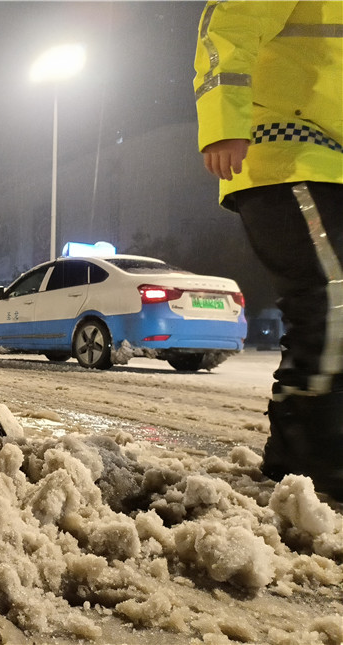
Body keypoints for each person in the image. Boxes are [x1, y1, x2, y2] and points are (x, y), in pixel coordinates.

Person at [193, 1, 342, 500]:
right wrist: (223, 121)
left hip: (331, 163)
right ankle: (315, 459)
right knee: (332, 297)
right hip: (287, 151)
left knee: (324, 305)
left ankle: (299, 455)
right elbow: (231, 22)